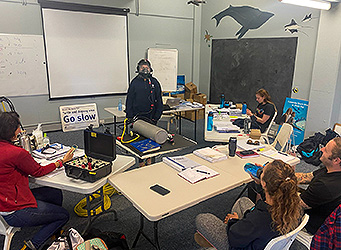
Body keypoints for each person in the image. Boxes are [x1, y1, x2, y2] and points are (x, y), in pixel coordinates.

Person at [0, 112, 74, 250]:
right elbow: (37, 171)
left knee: (54, 193)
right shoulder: (16, 153)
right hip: (15, 210)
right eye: (18, 127)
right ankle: (32, 245)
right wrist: (61, 162)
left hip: (5, 202)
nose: (21, 130)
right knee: (64, 215)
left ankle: (52, 229)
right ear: (12, 131)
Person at [195, 160, 302, 250]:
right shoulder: (292, 203)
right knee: (242, 202)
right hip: (266, 234)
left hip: (241, 241)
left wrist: (233, 221)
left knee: (203, 219)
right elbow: (272, 195)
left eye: (262, 171)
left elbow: (234, 238)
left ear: (265, 184)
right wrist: (260, 183)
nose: (260, 172)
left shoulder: (257, 220)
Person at [295, 137, 341, 234]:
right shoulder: (330, 169)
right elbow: (306, 177)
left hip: (310, 225)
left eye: (326, 150)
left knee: (268, 194)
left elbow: (297, 204)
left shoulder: (325, 186)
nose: (321, 149)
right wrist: (284, 174)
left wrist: (275, 182)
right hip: (312, 206)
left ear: (336, 160)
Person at [125, 59, 163, 125]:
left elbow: (159, 99)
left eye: (147, 67)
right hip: (137, 116)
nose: (145, 69)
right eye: (142, 67)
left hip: (151, 116)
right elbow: (129, 100)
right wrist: (130, 116)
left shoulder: (154, 82)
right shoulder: (134, 82)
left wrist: (157, 116)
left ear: (150, 69)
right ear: (138, 69)